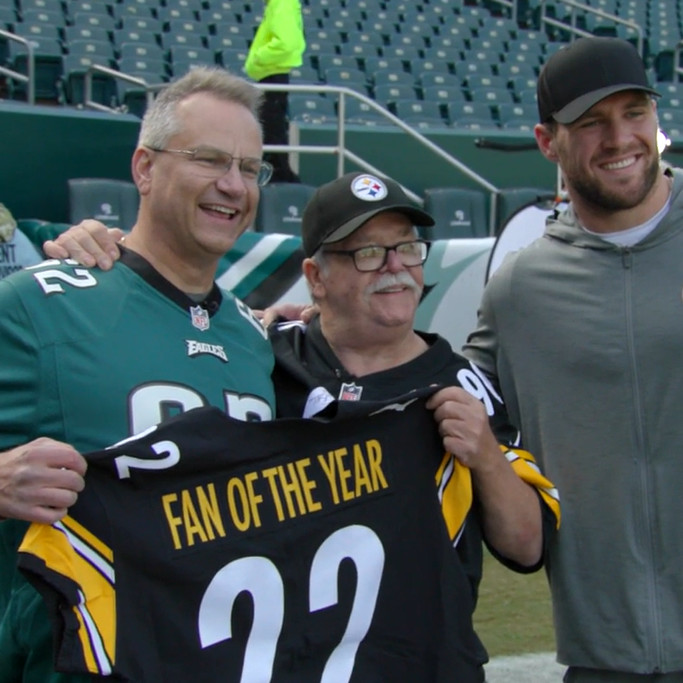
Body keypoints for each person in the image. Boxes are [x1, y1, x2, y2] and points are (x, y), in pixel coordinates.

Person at [46, 171, 561, 681]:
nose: (395, 268)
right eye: (367, 253)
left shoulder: (462, 388)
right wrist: (102, 253)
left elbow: (527, 546)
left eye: (407, 249)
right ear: (316, 277)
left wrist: (486, 459)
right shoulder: (261, 353)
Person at [0, 66, 276, 683]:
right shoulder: (35, 307)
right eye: (209, 160)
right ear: (145, 168)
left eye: (250, 168)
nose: (234, 186)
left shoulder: (253, 339)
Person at [461, 36, 683, 682]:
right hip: (603, 658)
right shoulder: (518, 290)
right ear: (545, 140)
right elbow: (458, 404)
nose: (619, 138)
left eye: (633, 112)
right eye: (590, 123)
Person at [245, 0, 305, 183]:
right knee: (271, 131)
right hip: (271, 73)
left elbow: (286, 44)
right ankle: (280, 178)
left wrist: (258, 58)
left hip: (272, 73)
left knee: (272, 132)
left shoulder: (282, 3)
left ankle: (281, 180)